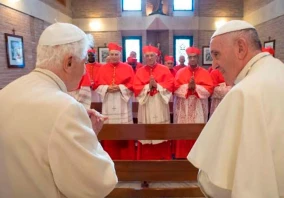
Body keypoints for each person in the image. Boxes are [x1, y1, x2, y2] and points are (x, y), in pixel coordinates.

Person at [188, 20, 284, 198]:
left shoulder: (245, 93)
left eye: (216, 54)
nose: (213, 64)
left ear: (240, 48)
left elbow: (216, 184)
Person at [0, 23, 117, 198]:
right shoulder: (66, 108)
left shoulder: (6, 92)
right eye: (84, 62)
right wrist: (90, 136)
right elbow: (98, 182)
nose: (85, 70)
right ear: (69, 62)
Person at [94, 42, 135, 160]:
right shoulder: (103, 68)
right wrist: (107, 88)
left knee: (124, 130)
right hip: (108, 101)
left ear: (120, 55)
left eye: (116, 54)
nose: (114, 56)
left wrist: (119, 87)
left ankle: (127, 157)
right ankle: (110, 156)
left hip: (123, 101)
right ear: (109, 55)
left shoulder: (127, 68)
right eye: (112, 54)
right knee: (109, 128)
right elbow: (97, 85)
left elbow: (132, 85)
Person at [133, 45, 174, 160]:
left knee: (161, 132)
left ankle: (163, 159)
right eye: (147, 56)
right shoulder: (140, 71)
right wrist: (147, 87)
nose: (149, 58)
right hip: (146, 103)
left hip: (159, 102)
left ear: (156, 56)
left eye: (152, 55)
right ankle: (146, 160)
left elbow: (171, 85)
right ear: (144, 57)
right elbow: (136, 87)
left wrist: (157, 86)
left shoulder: (164, 69)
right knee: (146, 132)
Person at [173, 46, 213, 159]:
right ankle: (181, 155)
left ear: (198, 58)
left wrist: (196, 88)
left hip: (198, 107)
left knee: (197, 130)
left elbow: (209, 90)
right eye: (190, 57)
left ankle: (198, 156)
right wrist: (187, 88)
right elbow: (175, 88)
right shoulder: (180, 72)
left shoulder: (204, 73)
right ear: (187, 58)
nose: (192, 59)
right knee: (183, 131)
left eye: (194, 57)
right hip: (183, 108)